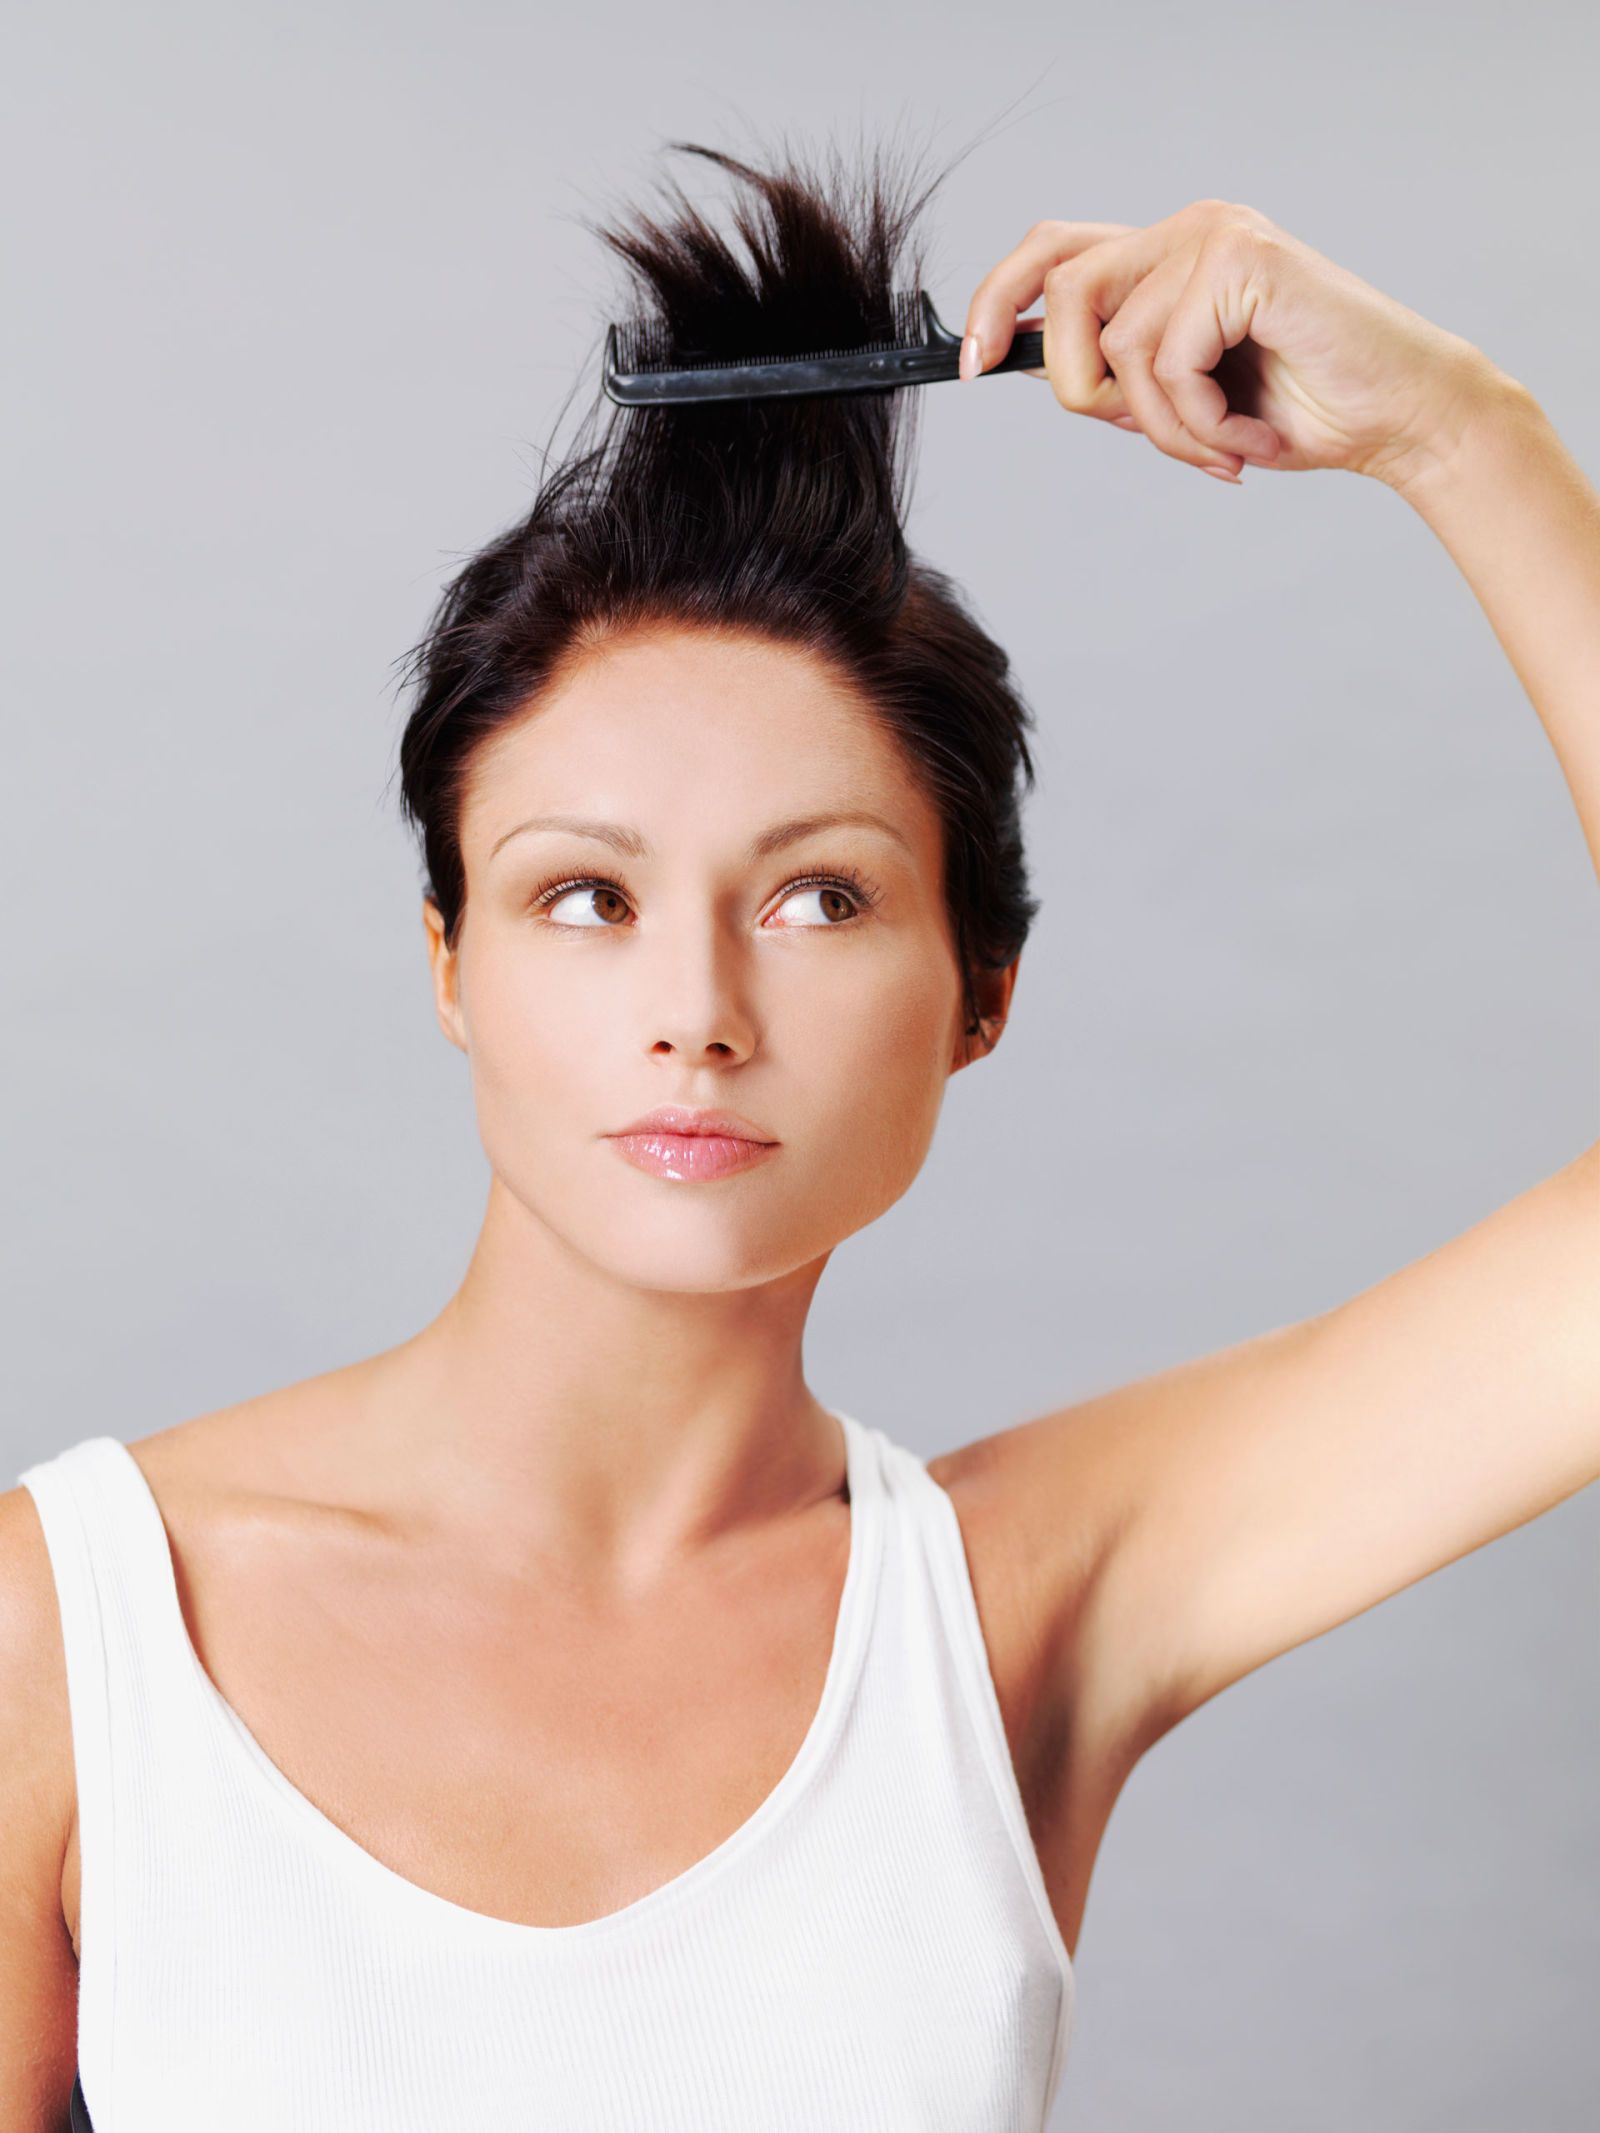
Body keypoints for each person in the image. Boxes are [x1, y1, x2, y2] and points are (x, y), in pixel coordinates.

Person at [3, 135, 1597, 2132]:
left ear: (980, 992)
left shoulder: (1020, 1603)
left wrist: (1462, 431)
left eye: (818, 895)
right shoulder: (70, 1627)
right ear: (446, 960)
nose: (696, 1009)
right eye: (583, 894)